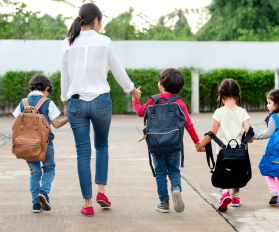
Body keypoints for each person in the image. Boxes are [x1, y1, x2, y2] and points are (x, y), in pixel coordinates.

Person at [61, 3, 140, 216]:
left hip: (76, 103)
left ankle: (87, 204)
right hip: (101, 103)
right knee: (102, 145)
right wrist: (132, 90)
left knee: (82, 153)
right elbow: (118, 70)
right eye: (101, 21)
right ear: (95, 20)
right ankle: (101, 192)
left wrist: (65, 102)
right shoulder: (105, 42)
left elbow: (65, 77)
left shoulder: (67, 43)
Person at [132, 68, 200, 213]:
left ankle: (164, 202)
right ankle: (176, 188)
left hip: (156, 145)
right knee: (174, 170)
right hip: (174, 144)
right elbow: (188, 124)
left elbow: (140, 112)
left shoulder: (153, 100)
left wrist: (135, 99)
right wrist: (197, 141)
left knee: (161, 172)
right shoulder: (179, 103)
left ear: (161, 84)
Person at [12, 74, 68, 213]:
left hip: (26, 146)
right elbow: (56, 124)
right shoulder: (47, 102)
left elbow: (16, 125)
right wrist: (68, 118)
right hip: (44, 144)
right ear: (47, 88)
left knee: (34, 172)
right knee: (49, 168)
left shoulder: (22, 103)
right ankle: (44, 192)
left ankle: (35, 205)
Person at [196, 78, 253, 211]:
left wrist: (200, 145)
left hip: (222, 153)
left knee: (224, 174)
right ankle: (236, 197)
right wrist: (246, 139)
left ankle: (225, 193)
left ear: (222, 97)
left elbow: (212, 133)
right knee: (237, 172)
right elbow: (249, 136)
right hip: (239, 152)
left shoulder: (219, 112)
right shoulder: (243, 112)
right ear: (238, 96)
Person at [253, 89, 279, 206]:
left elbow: (268, 134)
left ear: (277, 104)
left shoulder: (274, 118)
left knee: (267, 170)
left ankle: (273, 191)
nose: (267, 105)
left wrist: (253, 136)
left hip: (275, 150)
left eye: (269, 103)